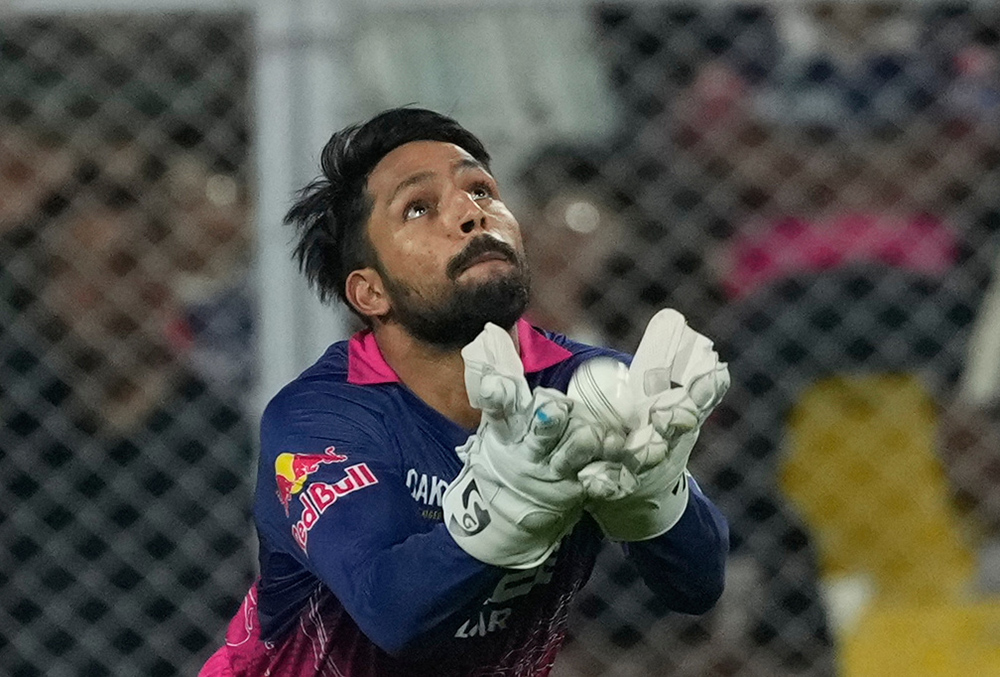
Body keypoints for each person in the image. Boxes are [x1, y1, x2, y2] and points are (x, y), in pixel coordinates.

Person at [199, 107, 729, 677]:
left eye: (481, 190)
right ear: (370, 292)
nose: (471, 214)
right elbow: (391, 612)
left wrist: (654, 496)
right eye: (419, 207)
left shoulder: (589, 385)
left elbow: (697, 587)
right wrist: (512, 508)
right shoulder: (325, 416)